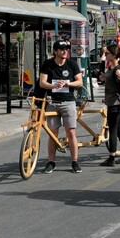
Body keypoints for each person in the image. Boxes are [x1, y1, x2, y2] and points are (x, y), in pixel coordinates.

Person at [39, 40, 83, 174]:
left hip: (68, 102)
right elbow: (42, 82)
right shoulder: (48, 64)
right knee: (53, 133)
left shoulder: (72, 64)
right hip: (53, 102)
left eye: (66, 49)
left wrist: (68, 84)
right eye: (62, 49)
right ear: (55, 51)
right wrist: (53, 86)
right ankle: (51, 162)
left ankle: (75, 161)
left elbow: (79, 82)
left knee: (71, 132)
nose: (65, 51)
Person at [99, 44, 120, 166]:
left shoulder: (118, 69)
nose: (105, 55)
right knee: (118, 130)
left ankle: (111, 157)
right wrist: (105, 78)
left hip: (116, 104)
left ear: (113, 55)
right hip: (113, 103)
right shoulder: (112, 68)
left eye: (107, 53)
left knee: (112, 130)